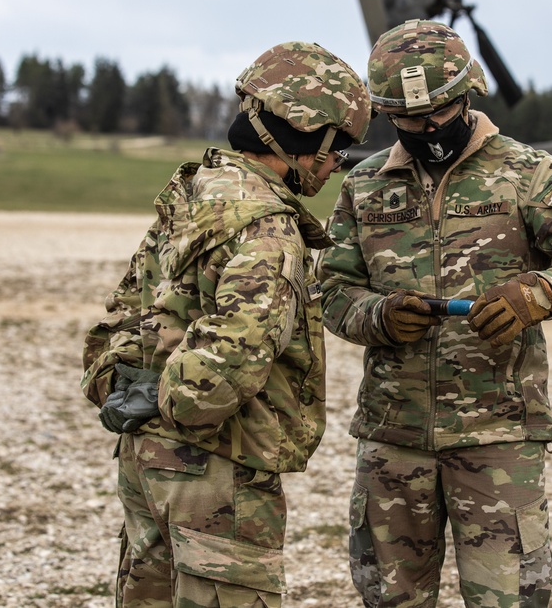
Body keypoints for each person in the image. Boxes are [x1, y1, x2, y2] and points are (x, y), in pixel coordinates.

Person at [316, 19, 552, 608]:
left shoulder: (526, 174)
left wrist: (540, 293)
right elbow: (332, 290)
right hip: (395, 437)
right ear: (387, 115)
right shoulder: (363, 187)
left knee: (508, 598)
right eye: (409, 119)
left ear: (469, 94)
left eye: (440, 111)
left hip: (499, 436)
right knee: (389, 598)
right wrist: (379, 316)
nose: (428, 127)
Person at [80, 41, 370, 607]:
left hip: (144, 458)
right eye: (338, 149)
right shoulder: (268, 228)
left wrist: (129, 393)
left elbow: (124, 317)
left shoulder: (193, 193)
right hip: (217, 471)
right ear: (306, 137)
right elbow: (225, 369)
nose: (338, 165)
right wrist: (173, 403)